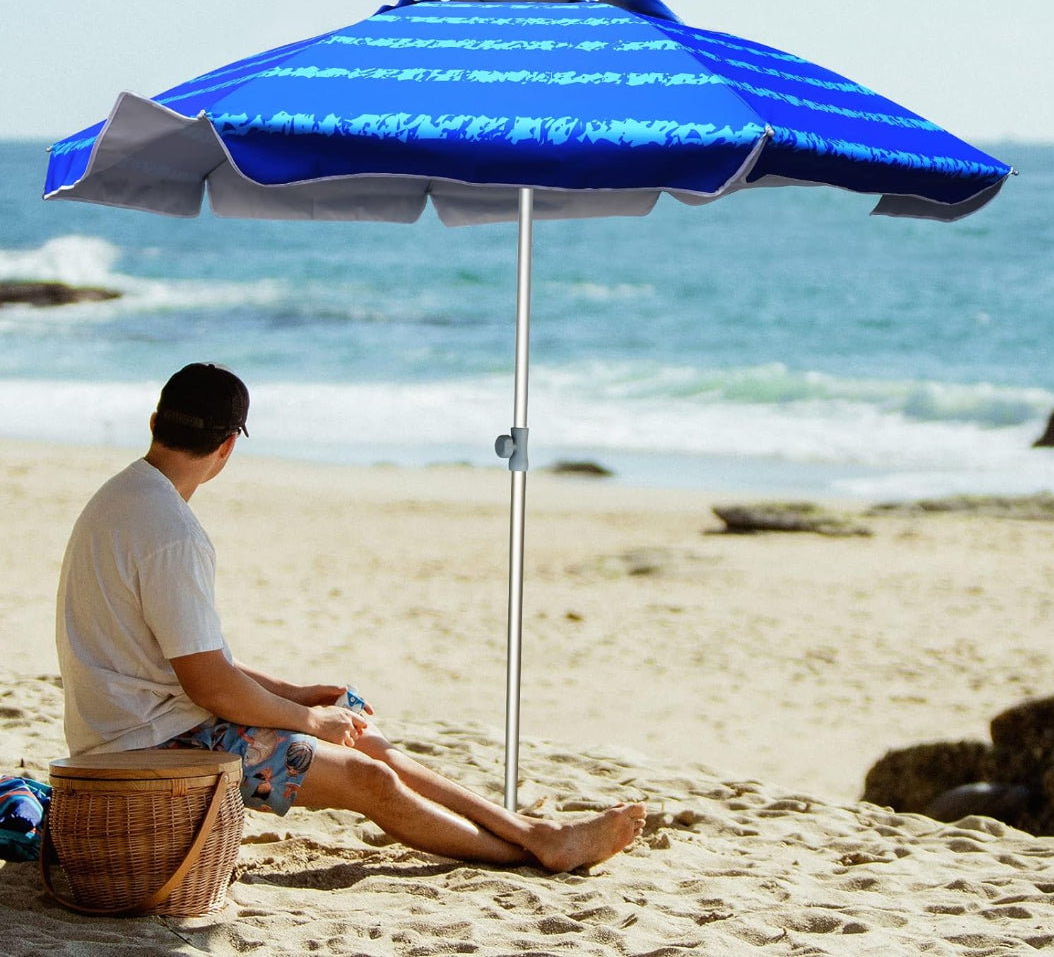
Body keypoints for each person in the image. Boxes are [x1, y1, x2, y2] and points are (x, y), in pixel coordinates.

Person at [56, 363, 645, 872]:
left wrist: (298, 694)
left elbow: (188, 659)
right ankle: (532, 851)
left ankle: (537, 835)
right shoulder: (173, 534)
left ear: (156, 422)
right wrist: (308, 719)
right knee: (371, 781)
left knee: (374, 747)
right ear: (228, 446)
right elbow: (208, 685)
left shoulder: (120, 497)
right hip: (152, 743)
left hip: (146, 721)